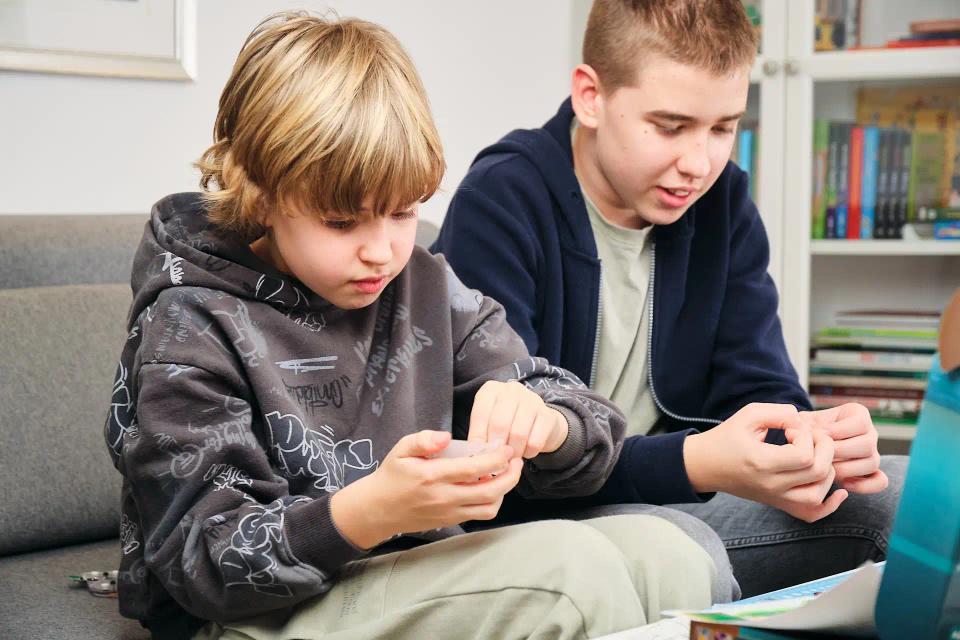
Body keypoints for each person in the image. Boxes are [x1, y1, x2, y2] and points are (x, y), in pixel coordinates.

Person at [103, 12, 730, 640]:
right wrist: (370, 512)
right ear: (262, 195)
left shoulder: (422, 284)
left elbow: (579, 418)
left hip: (404, 573)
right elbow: (204, 563)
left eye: (403, 213)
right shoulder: (189, 325)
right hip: (252, 615)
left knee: (673, 559)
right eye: (342, 222)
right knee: (572, 575)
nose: (382, 252)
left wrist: (548, 422)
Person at [432, 0, 905, 597]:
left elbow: (761, 389)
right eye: (670, 126)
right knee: (682, 549)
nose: (699, 163)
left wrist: (812, 442)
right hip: (534, 520)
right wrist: (695, 462)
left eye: (723, 128)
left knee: (911, 496)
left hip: (676, 495)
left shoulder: (722, 202)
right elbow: (502, 461)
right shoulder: (501, 199)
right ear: (591, 96)